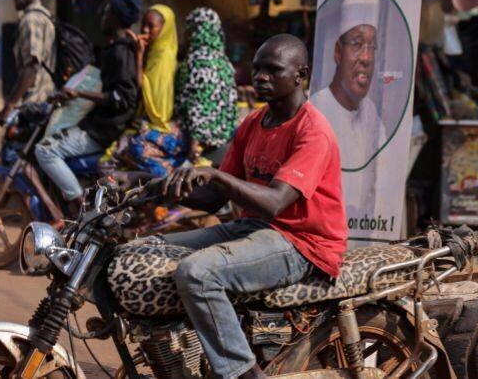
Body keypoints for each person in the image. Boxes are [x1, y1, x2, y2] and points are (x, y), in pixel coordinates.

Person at [127, 34, 347, 379]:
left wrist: (212, 175)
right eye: (257, 69)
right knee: (140, 251)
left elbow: (274, 203)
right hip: (256, 229)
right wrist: (150, 183)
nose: (260, 77)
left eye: (273, 70)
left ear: (300, 74)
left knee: (199, 273)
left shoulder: (312, 131)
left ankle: (243, 373)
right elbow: (213, 198)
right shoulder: (253, 123)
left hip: (303, 243)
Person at [34, 0, 140, 212]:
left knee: (44, 151)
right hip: (97, 124)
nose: (102, 18)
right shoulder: (113, 50)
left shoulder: (121, 52)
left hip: (104, 129)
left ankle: (82, 207)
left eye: (106, 13)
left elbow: (123, 97)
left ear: (116, 19)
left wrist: (79, 93)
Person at [310, 0, 386, 170]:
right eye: (357, 44)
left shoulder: (369, 112)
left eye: (372, 46)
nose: (366, 58)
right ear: (338, 52)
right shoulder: (317, 111)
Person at [102, 4, 182, 175]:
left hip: (159, 123)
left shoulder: (163, 57)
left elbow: (150, 97)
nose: (145, 29)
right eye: (143, 24)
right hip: (147, 121)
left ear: (164, 28)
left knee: (118, 158)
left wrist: (139, 56)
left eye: (151, 26)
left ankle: (163, 183)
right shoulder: (155, 51)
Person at [175, 7, 238, 164]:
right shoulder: (224, 62)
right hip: (225, 137)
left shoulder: (195, 61)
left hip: (200, 143)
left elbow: (197, 104)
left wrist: (194, 145)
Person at [0, 0, 56, 124]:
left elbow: (31, 68)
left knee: (14, 147)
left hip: (34, 105)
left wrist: (9, 106)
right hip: (45, 102)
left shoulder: (31, 20)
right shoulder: (45, 16)